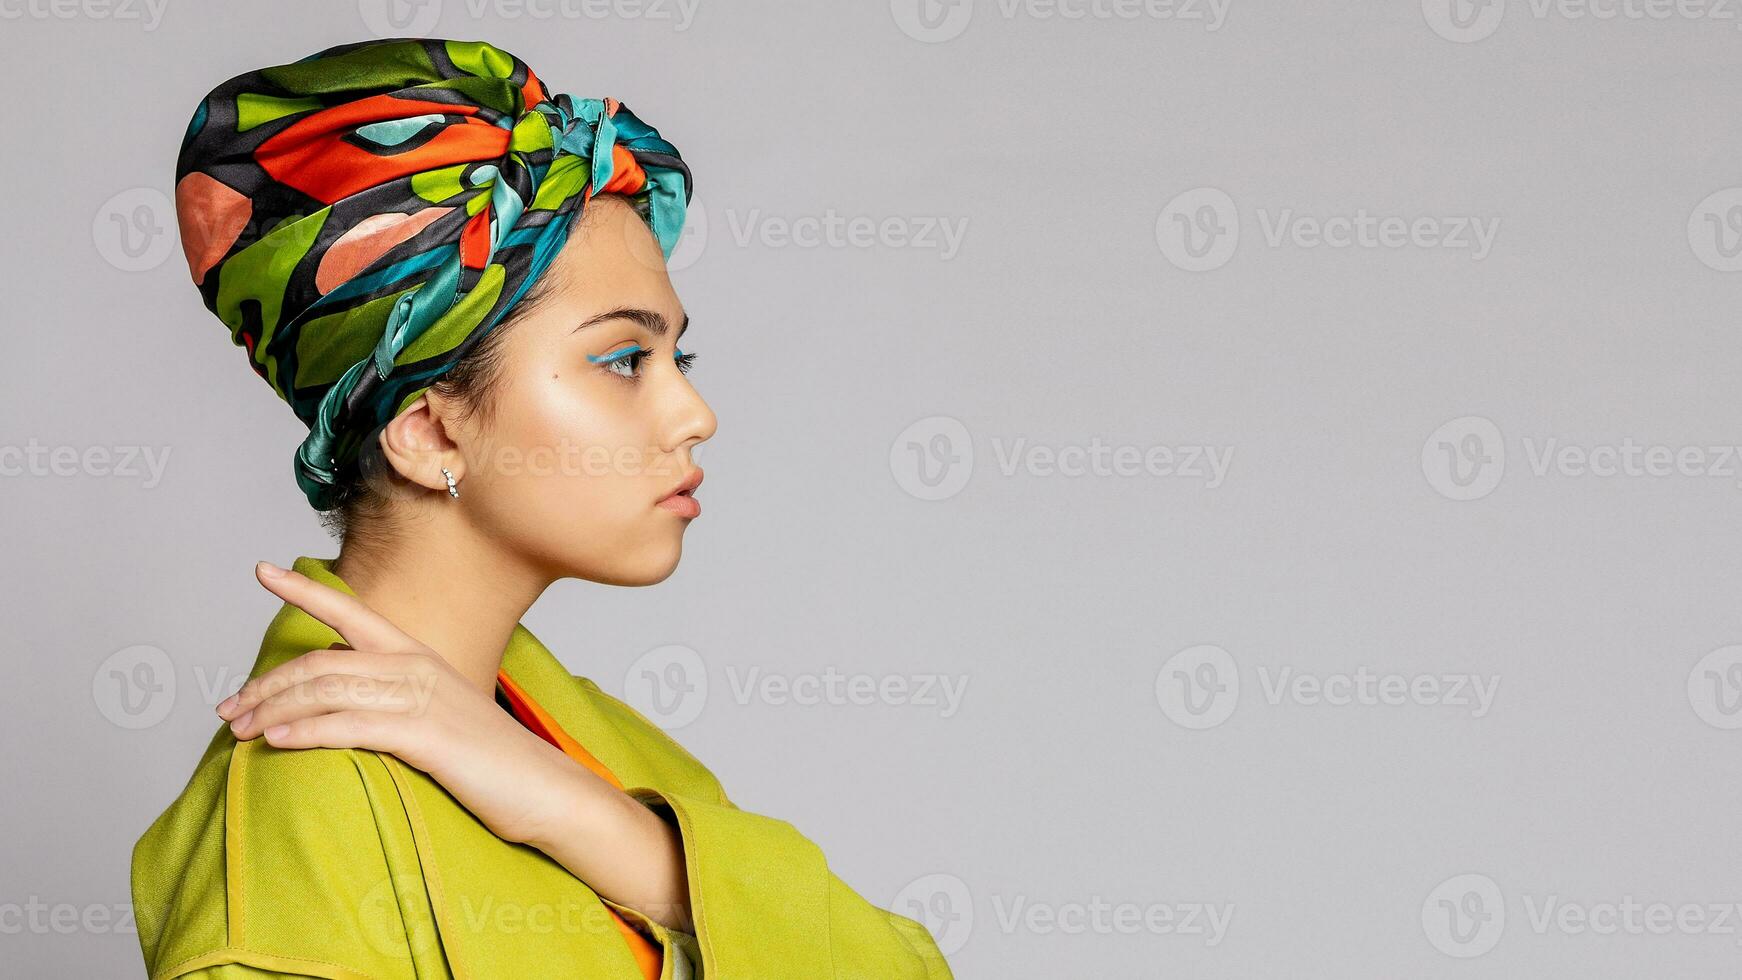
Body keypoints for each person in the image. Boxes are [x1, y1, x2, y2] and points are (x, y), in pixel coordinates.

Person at [130, 36, 953, 980]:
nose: (695, 414)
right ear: (431, 432)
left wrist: (595, 824)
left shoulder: (571, 740)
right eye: (620, 361)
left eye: (677, 359)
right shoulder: (301, 823)